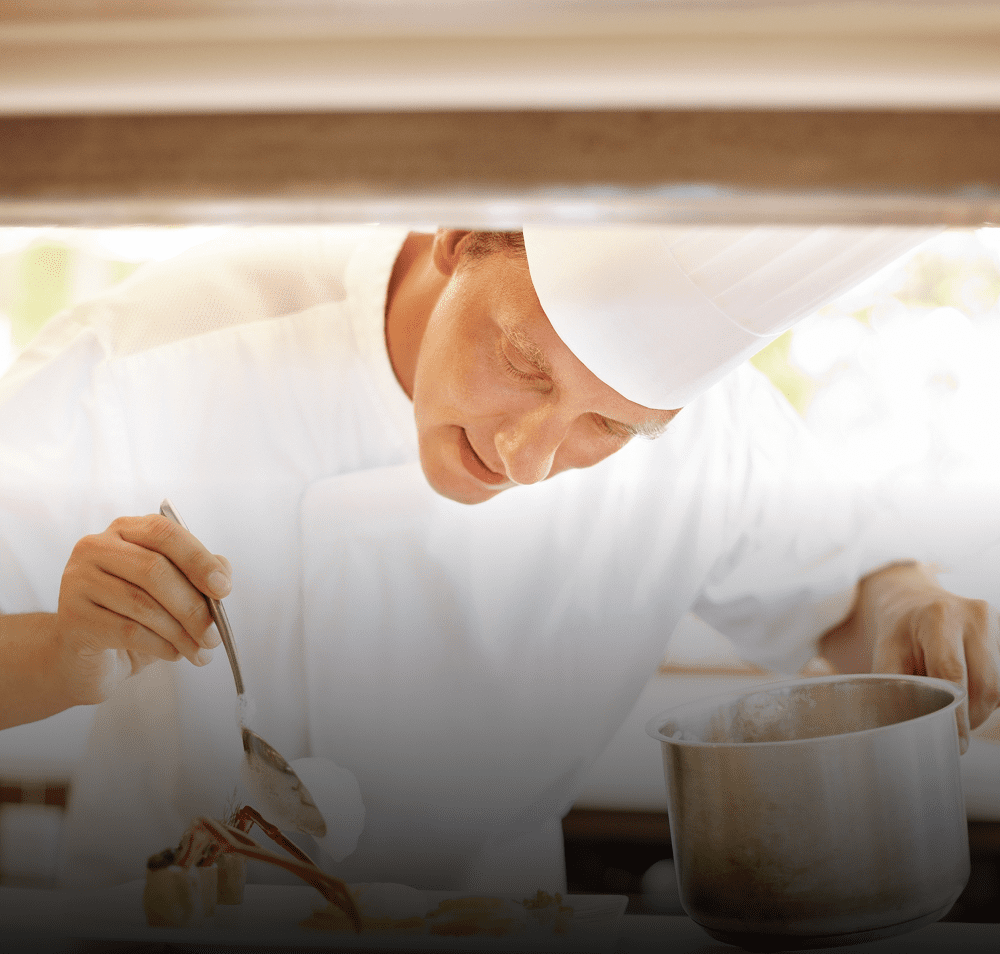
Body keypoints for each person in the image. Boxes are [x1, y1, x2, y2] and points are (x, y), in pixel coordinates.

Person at [0, 224, 996, 893]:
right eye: (522, 359)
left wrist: (913, 602)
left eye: (608, 426)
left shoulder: (712, 436)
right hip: (167, 917)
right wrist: (66, 648)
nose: (529, 456)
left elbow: (849, 592)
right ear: (458, 237)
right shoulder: (157, 353)